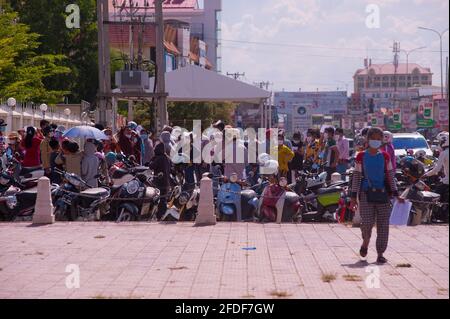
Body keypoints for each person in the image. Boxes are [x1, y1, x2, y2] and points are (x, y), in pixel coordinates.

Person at [350, 127, 402, 264]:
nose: (376, 141)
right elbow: (356, 177)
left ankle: (380, 253)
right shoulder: (360, 156)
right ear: (367, 139)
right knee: (366, 224)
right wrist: (353, 197)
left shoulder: (385, 156)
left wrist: (396, 194)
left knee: (383, 226)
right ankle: (365, 242)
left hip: (383, 195)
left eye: (379, 139)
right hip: (366, 195)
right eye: (373, 138)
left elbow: (391, 176)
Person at [422, 131, 449, 222]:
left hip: (447, 181)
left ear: (443, 142)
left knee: (435, 196)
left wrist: (426, 175)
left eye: (439, 142)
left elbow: (436, 169)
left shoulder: (444, 153)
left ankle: (435, 216)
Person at [149, 143, 171, 220]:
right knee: (163, 199)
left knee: (159, 199)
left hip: (159, 182)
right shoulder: (167, 158)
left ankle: (159, 215)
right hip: (166, 181)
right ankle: (163, 214)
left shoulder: (159, 158)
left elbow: (151, 166)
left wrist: (152, 160)